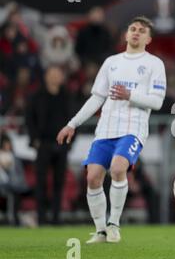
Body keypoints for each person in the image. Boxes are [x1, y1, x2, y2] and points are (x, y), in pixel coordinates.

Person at [56, 16, 166, 244]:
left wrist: (130, 95)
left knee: (117, 169)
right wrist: (72, 124)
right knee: (93, 177)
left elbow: (157, 102)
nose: (136, 32)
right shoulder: (111, 63)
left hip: (132, 129)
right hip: (105, 129)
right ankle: (100, 231)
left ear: (148, 38)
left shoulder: (154, 64)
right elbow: (96, 98)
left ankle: (114, 224)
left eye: (141, 30)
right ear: (126, 34)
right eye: (132, 28)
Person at [25, 65, 72, 225]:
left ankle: (56, 218)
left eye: (58, 74)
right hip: (43, 144)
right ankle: (41, 217)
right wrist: (34, 139)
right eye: (52, 74)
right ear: (46, 77)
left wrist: (69, 142)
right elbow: (29, 119)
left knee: (59, 183)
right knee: (41, 182)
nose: (55, 77)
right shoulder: (36, 96)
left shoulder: (67, 96)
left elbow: (74, 120)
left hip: (62, 145)